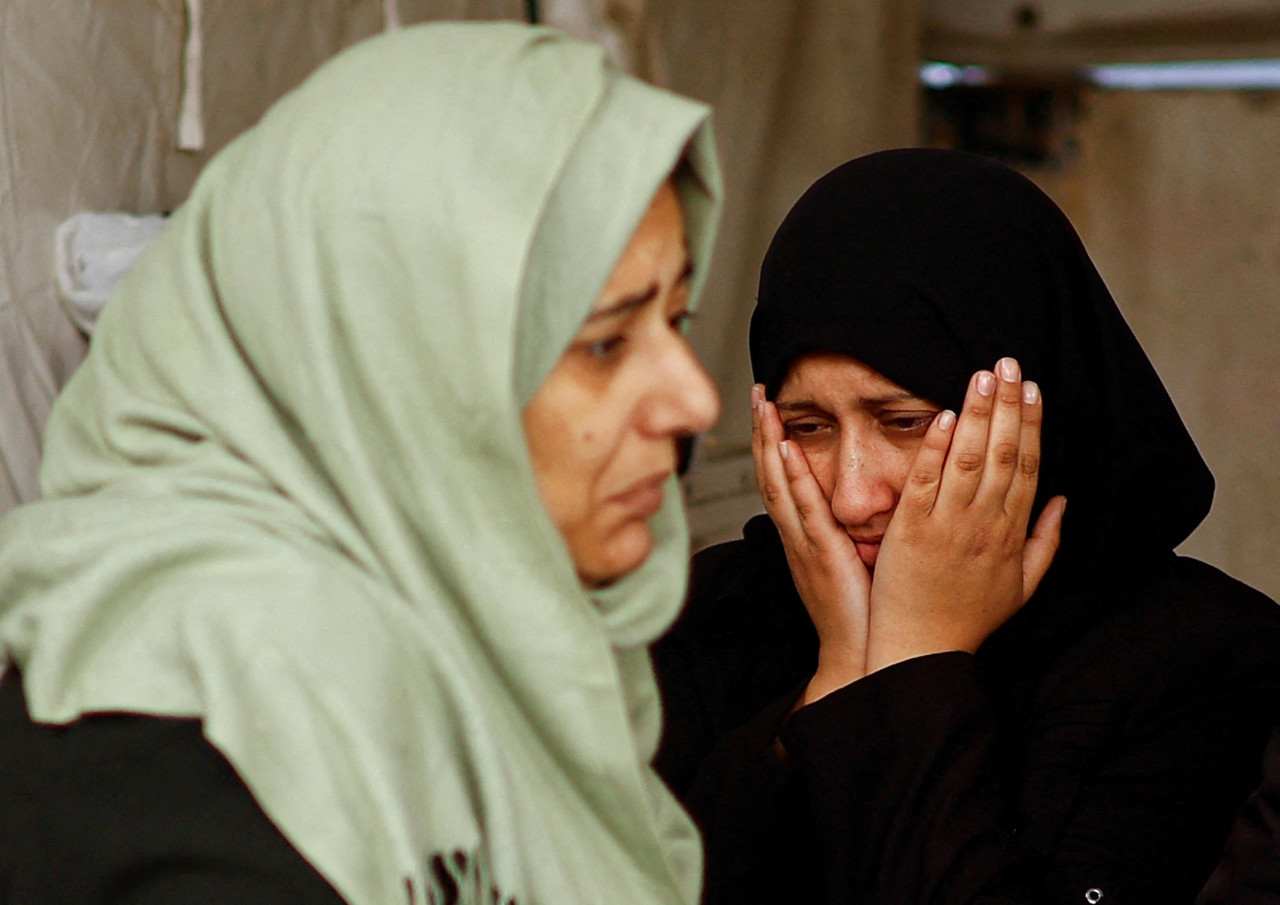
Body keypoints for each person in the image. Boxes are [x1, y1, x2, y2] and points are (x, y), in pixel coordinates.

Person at [0, 23, 722, 905]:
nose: (694, 400)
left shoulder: (511, 634)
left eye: (676, 321)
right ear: (399, 359)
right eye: (606, 343)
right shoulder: (177, 743)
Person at [652, 148, 1280, 904]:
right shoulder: (704, 619)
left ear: (1030, 410)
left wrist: (913, 667)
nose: (852, 496)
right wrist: (833, 682)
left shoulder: (1207, 662)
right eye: (808, 425)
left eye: (905, 420)